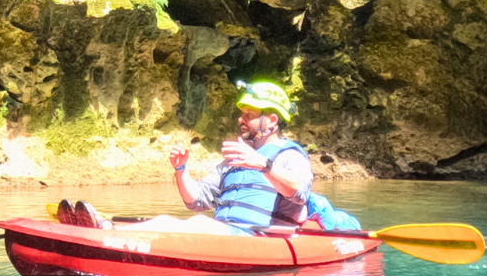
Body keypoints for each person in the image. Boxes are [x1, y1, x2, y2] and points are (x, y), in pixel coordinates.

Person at [63, 81, 360, 235]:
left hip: (263, 238)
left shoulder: (290, 155)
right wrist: (181, 171)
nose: (241, 120)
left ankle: (106, 231)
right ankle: (106, 229)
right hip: (227, 234)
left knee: (198, 225)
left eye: (249, 115)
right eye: (241, 114)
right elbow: (197, 201)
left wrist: (262, 164)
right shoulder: (232, 158)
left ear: (271, 121)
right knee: (180, 219)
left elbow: (299, 193)